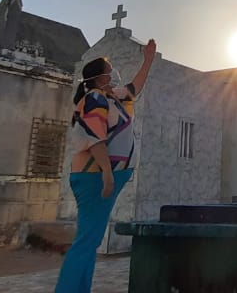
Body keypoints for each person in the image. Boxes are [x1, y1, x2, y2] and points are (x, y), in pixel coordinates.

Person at [54, 39, 156, 293]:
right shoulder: (95, 99)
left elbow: (135, 87)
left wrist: (148, 60)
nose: (114, 77)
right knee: (86, 241)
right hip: (94, 176)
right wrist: (108, 175)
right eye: (110, 73)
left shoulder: (112, 97)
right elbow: (95, 137)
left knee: (90, 240)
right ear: (99, 79)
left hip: (102, 175)